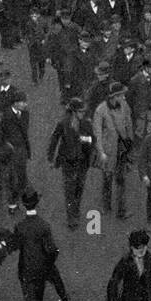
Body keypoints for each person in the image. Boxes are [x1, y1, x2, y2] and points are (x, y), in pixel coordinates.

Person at [12, 186, 69, 301]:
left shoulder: (19, 226)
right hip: (41, 268)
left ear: (23, 205)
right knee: (39, 296)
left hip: (25, 269)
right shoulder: (44, 225)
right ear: (36, 204)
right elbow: (53, 250)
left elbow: (15, 245)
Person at [47, 97, 93, 230]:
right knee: (69, 190)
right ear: (73, 112)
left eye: (83, 111)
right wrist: (51, 158)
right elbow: (54, 140)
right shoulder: (63, 123)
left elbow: (91, 140)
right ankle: (71, 217)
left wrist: (87, 145)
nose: (82, 114)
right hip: (68, 161)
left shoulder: (86, 123)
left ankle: (76, 209)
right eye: (80, 111)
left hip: (82, 161)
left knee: (79, 187)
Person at [93, 80, 134, 218]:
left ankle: (121, 211)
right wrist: (101, 152)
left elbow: (129, 124)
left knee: (121, 180)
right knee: (107, 178)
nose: (123, 97)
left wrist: (130, 142)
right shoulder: (100, 110)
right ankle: (106, 206)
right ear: (113, 97)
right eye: (120, 95)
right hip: (109, 151)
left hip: (122, 149)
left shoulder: (125, 106)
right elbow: (97, 134)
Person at [106, 229, 151, 301]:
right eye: (138, 249)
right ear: (132, 247)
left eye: (144, 247)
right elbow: (114, 281)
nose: (141, 251)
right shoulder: (125, 261)